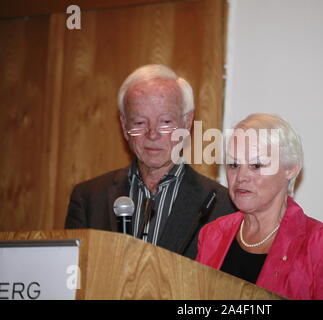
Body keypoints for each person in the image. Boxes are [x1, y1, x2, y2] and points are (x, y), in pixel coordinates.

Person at [65, 64, 235, 259]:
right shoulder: (88, 198)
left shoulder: (220, 206)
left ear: (187, 122)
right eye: (139, 123)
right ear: (124, 125)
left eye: (165, 122)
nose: (152, 134)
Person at [196, 113, 323, 299]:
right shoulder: (212, 234)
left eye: (256, 165)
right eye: (234, 164)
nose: (241, 177)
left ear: (290, 168)